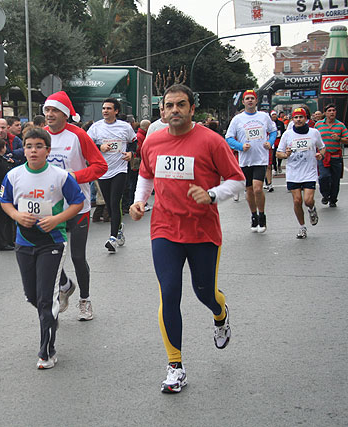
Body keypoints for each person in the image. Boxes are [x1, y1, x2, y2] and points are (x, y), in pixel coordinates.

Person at [130, 84, 245, 393]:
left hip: (203, 231)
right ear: (162, 111)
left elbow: (237, 180)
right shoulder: (152, 142)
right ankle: (175, 366)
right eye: (169, 106)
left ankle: (220, 314)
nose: (174, 110)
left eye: (181, 105)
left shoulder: (211, 141)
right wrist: (140, 200)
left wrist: (211, 195)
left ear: (193, 109)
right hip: (165, 230)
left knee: (204, 292)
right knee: (169, 293)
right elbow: (146, 174)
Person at [0, 127, 85, 369]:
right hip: (23, 242)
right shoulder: (14, 175)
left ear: (48, 150)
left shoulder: (60, 176)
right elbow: (5, 200)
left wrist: (57, 219)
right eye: (29, 146)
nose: (33, 150)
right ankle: (62, 292)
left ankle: (47, 351)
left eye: (39, 146)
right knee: (32, 296)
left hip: (52, 242)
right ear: (23, 150)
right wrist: (17, 215)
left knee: (46, 300)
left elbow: (78, 202)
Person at [43, 91, 107, 320]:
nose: (49, 115)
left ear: (66, 114)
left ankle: (85, 300)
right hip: (50, 207)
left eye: (54, 111)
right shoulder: (41, 136)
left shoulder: (78, 135)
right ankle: (65, 286)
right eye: (47, 110)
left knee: (78, 257)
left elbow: (100, 167)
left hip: (77, 206)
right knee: (49, 255)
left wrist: (74, 176)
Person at [87, 97, 136, 253]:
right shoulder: (96, 127)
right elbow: (87, 144)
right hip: (103, 170)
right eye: (103, 108)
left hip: (120, 169)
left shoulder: (125, 127)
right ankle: (119, 226)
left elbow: (134, 141)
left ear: (116, 111)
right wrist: (99, 146)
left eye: (108, 108)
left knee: (115, 202)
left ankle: (113, 238)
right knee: (108, 203)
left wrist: (131, 153)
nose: (105, 111)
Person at [225, 90, 277, 233]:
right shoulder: (237, 119)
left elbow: (273, 131)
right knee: (249, 190)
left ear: (256, 101)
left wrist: (270, 142)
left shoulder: (264, 117)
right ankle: (253, 215)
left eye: (252, 99)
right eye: (247, 99)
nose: (250, 101)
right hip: (245, 160)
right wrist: (240, 146)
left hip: (260, 158)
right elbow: (228, 138)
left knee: (258, 188)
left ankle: (262, 215)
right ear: (243, 102)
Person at [276, 108, 325, 239]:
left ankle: (311, 209)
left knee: (308, 200)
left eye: (301, 117)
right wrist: (285, 155)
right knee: (297, 200)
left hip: (309, 171)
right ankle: (302, 227)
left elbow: (322, 147)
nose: (298, 120)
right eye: (296, 117)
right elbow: (278, 153)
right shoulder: (288, 134)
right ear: (292, 119)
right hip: (294, 172)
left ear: (306, 119)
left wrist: (321, 155)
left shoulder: (314, 133)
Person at [314, 103, 348, 207]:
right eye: (329, 111)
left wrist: (339, 139)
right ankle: (325, 195)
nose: (332, 112)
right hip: (323, 156)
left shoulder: (340, 125)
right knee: (324, 176)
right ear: (325, 113)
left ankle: (333, 199)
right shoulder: (318, 125)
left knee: (335, 179)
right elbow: (312, 138)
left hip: (336, 156)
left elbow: (346, 140)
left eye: (333, 110)